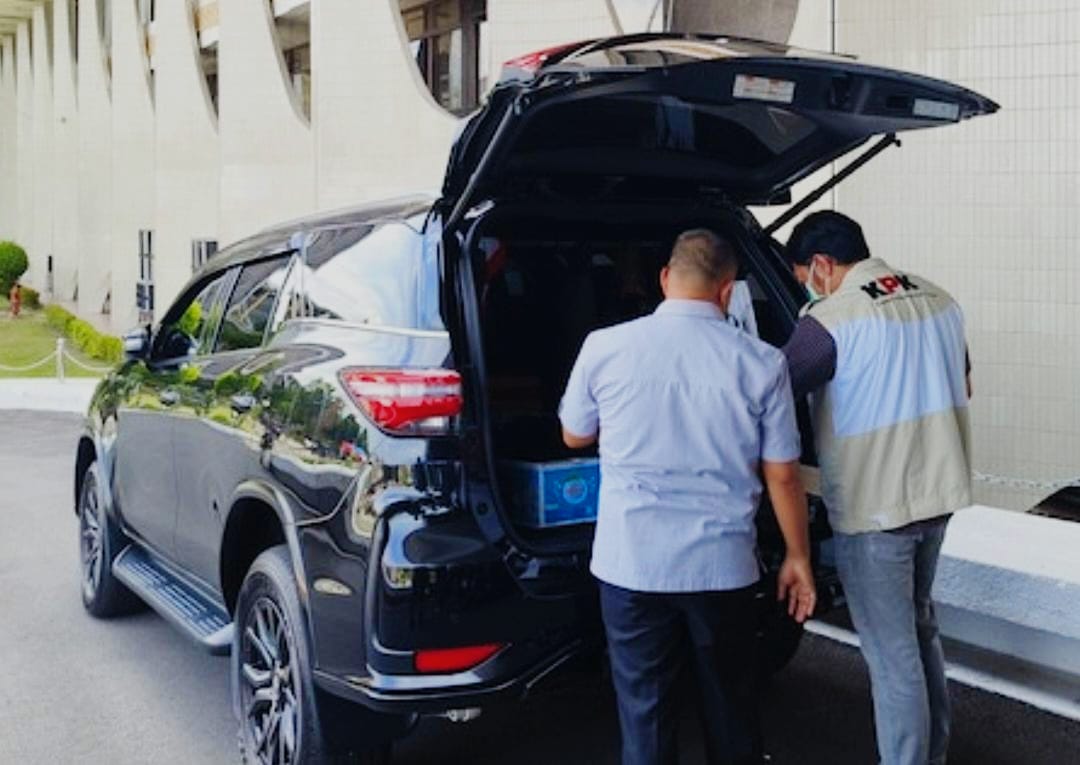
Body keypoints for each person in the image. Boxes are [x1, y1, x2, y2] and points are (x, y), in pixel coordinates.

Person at [559, 229, 816, 765]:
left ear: (664, 279)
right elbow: (782, 476)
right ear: (728, 291)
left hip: (632, 564)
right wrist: (798, 556)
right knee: (730, 708)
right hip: (721, 568)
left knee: (646, 715)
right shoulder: (762, 363)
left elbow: (574, 435)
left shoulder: (604, 347)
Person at [782, 211, 972, 765]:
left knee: (892, 659)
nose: (808, 288)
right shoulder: (939, 299)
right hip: (937, 497)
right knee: (919, 630)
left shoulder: (832, 319)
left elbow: (771, 392)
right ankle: (931, 754)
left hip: (875, 509)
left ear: (822, 264)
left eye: (804, 278)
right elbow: (964, 382)